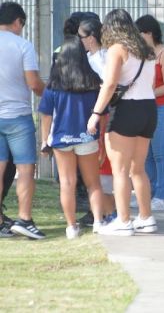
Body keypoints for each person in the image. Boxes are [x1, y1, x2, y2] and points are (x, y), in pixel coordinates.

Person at [87, 9, 157, 236]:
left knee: (120, 170)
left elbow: (109, 84)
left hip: (126, 109)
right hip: (149, 108)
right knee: (138, 169)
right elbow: (150, 82)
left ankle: (123, 221)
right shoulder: (146, 49)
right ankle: (146, 218)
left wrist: (96, 113)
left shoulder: (117, 49)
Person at [39, 36, 105, 239]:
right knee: (93, 183)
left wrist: (44, 141)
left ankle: (71, 227)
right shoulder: (93, 81)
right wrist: (101, 140)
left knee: (67, 183)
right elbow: (101, 112)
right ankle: (98, 222)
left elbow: (46, 116)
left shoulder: (53, 85)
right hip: (88, 138)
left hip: (61, 139)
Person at [0, 2, 46, 239]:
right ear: (18, 21)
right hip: (18, 116)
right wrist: (51, 94)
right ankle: (24, 219)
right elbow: (34, 84)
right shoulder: (23, 46)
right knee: (26, 169)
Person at [135, 14, 164, 211]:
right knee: (147, 155)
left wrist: (147, 93)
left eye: (139, 34)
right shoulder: (143, 54)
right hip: (146, 108)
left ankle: (162, 196)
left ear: (149, 33)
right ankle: (149, 194)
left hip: (163, 108)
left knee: (160, 153)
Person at [79, 18, 116, 220]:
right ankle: (103, 210)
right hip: (95, 115)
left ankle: (109, 211)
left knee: (103, 161)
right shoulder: (88, 58)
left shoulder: (103, 58)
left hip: (102, 115)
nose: (80, 41)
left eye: (82, 37)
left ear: (91, 38)